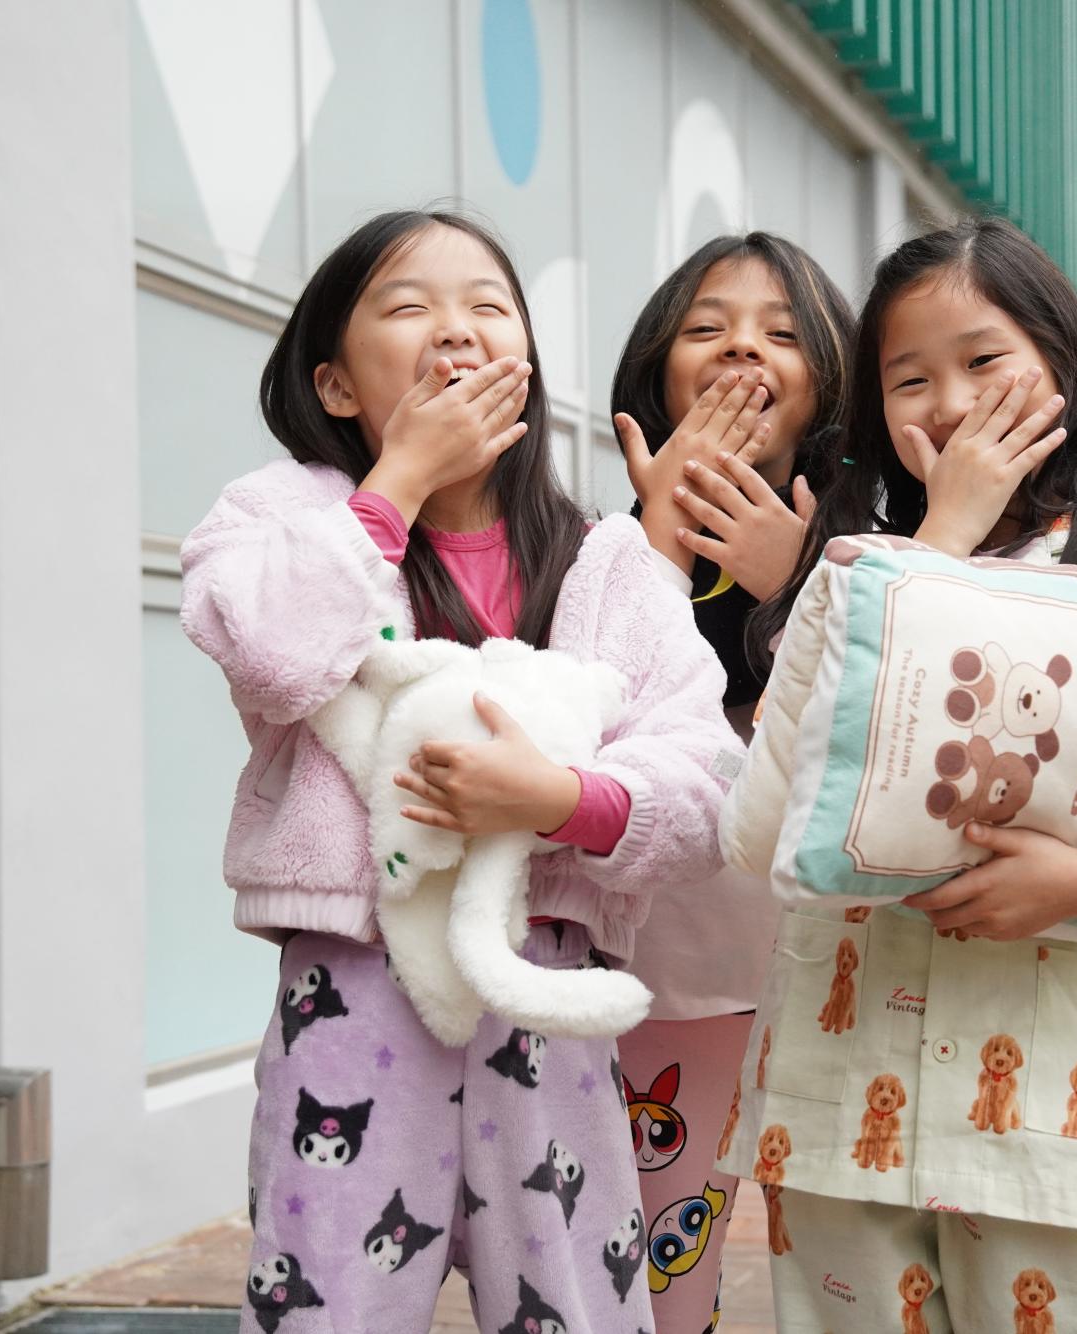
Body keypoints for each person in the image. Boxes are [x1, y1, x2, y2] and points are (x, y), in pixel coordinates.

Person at [715, 217, 1077, 1332]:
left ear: (1066, 358)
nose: (948, 400)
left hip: (1064, 1121)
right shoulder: (856, 568)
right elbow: (764, 823)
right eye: (910, 377)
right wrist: (940, 537)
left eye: (983, 360)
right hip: (844, 1111)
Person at [181, 209, 741, 1333]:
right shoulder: (281, 518)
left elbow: (706, 779)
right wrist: (391, 489)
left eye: (488, 306)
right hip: (352, 983)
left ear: (524, 362)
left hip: (547, 984)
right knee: (327, 1301)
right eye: (408, 306)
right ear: (336, 384)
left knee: (578, 1305)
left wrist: (560, 801)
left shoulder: (601, 560)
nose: (456, 331)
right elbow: (265, 644)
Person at [610, 231, 855, 1329]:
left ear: (833, 378)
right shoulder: (605, 550)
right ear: (658, 369)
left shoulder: (884, 544)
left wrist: (796, 579)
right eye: (707, 328)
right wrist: (661, 536)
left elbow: (896, 728)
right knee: (667, 1285)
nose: (742, 350)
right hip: (677, 978)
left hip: (844, 983)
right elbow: (585, 711)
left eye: (782, 332)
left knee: (856, 1279)